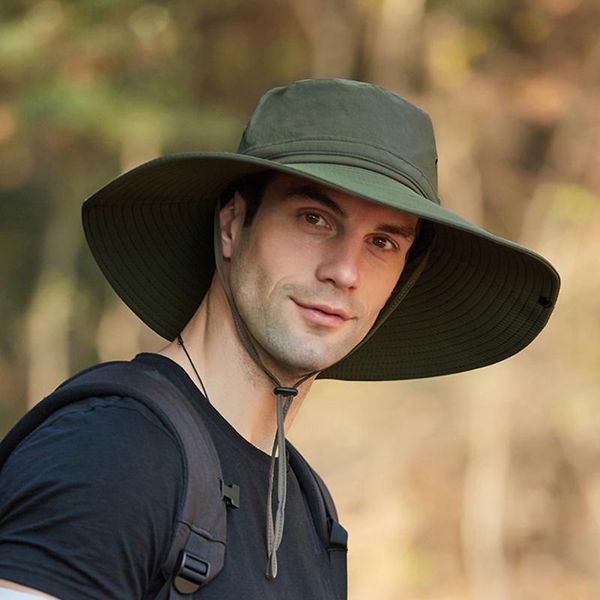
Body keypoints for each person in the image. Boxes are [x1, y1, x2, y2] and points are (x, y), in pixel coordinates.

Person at [0, 79, 560, 599]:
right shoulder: (113, 452)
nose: (345, 271)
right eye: (314, 219)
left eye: (383, 242)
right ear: (231, 225)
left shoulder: (307, 508)